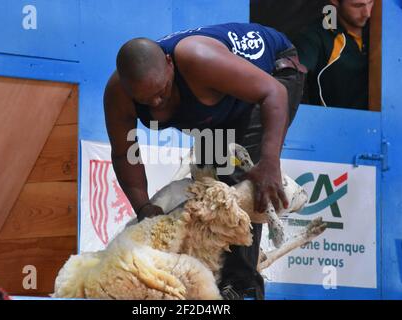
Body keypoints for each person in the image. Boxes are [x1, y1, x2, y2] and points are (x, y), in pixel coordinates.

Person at [103, 22, 306, 299]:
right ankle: (213, 277)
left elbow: (274, 93)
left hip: (273, 75)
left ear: (169, 63)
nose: (157, 103)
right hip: (223, 106)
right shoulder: (118, 93)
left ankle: (241, 287)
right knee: (209, 187)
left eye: (162, 91)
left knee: (237, 184)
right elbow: (124, 152)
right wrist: (143, 205)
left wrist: (269, 163)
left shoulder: (198, 59)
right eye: (146, 100)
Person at [293, 0, 374, 109]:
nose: (367, 13)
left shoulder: (387, 27)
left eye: (371, 2)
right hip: (333, 122)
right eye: (357, 6)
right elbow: (291, 76)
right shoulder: (316, 36)